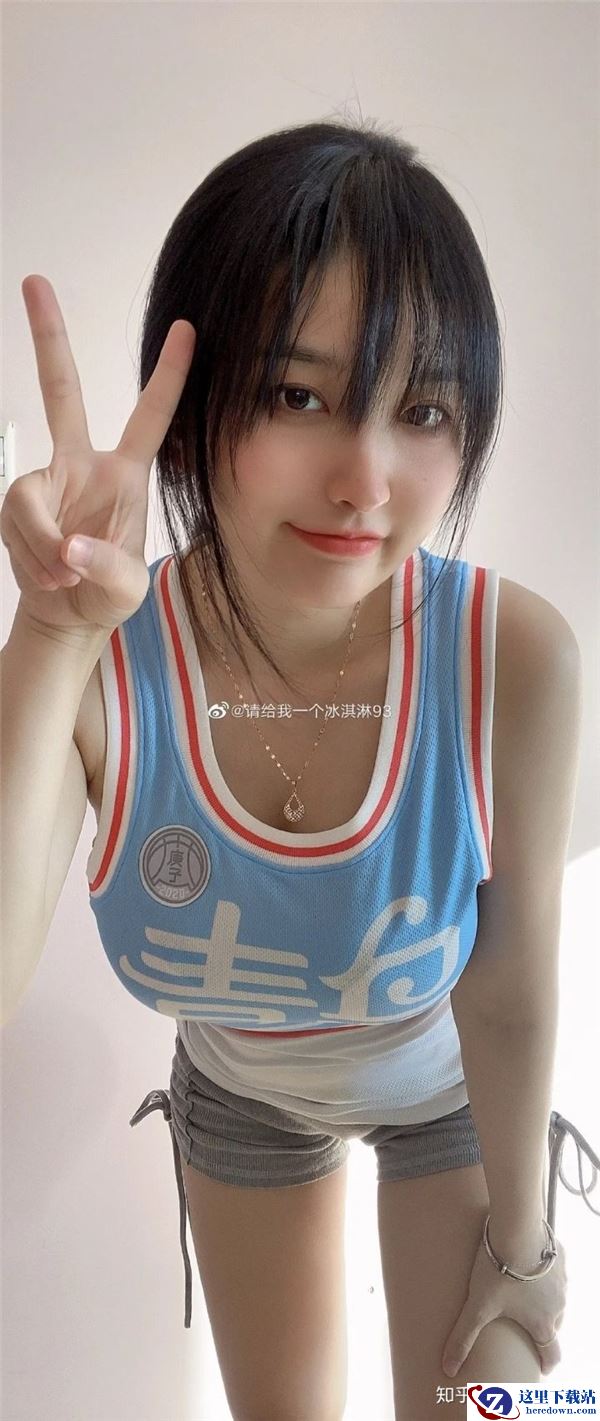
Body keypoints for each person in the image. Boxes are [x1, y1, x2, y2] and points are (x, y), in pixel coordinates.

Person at [2, 117, 598, 1421]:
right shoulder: (107, 660)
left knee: (506, 1418)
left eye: (422, 410)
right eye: (298, 395)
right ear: (191, 406)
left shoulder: (517, 657)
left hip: (451, 1096)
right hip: (242, 1102)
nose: (365, 480)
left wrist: (529, 1249)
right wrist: (47, 637)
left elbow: (510, 994)